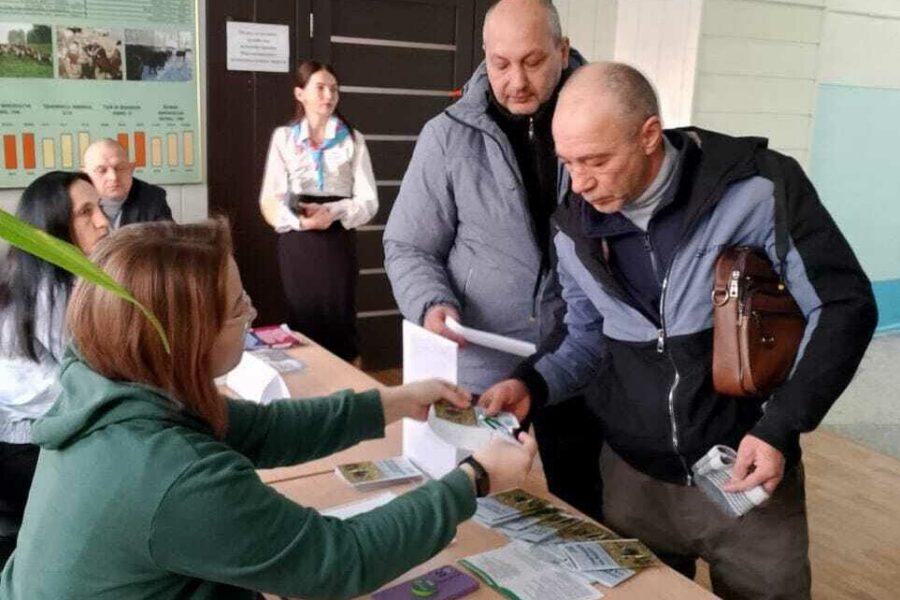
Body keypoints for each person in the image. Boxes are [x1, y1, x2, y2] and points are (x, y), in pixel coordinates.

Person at [481, 62, 878, 599]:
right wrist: (531, 383)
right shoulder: (572, 227)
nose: (580, 183)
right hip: (633, 481)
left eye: (597, 161)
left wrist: (781, 425)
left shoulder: (757, 187)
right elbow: (582, 338)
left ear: (649, 135)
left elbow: (842, 306)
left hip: (748, 473)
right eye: (568, 162)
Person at [0, 219, 537, 599]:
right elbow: (339, 561)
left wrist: (392, 402)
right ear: (191, 337)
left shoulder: (110, 384)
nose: (254, 311)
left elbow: (262, 429)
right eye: (239, 306)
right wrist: (473, 479)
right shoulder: (171, 474)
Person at [383, 0, 603, 519]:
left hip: (583, 359)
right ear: (484, 56)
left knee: (583, 510)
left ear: (563, 51)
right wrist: (431, 302)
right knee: (480, 512)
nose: (516, 81)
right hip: (484, 371)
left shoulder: (602, 119)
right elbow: (408, 244)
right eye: (501, 64)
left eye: (533, 61)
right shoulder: (448, 136)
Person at [0, 171, 109, 566]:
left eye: (100, 208)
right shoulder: (53, 287)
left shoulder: (40, 275)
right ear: (53, 225)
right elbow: (95, 376)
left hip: (37, 433)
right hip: (27, 447)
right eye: (86, 212)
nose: (103, 221)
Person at [259, 60, 377, 362]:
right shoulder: (284, 138)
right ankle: (308, 383)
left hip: (337, 240)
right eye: (321, 88)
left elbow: (368, 201)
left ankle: (350, 383)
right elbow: (270, 198)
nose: (329, 95)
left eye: (334, 89)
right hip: (297, 241)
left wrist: (332, 212)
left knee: (341, 319)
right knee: (302, 317)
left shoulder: (353, 139)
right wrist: (300, 220)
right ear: (300, 94)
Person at [82, 138, 172, 229]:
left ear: (131, 169)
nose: (113, 177)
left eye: (120, 168)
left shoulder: (152, 197)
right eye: (101, 170)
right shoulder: (76, 201)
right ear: (85, 174)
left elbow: (168, 236)